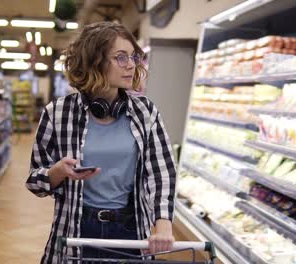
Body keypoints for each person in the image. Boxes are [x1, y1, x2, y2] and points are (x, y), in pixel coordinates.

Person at [26, 21, 177, 263]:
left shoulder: (145, 112)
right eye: (120, 57)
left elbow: (161, 174)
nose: (131, 65)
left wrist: (163, 225)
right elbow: (35, 182)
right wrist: (56, 172)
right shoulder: (58, 112)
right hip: (75, 229)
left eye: (133, 57)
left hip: (129, 230)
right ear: (94, 61)